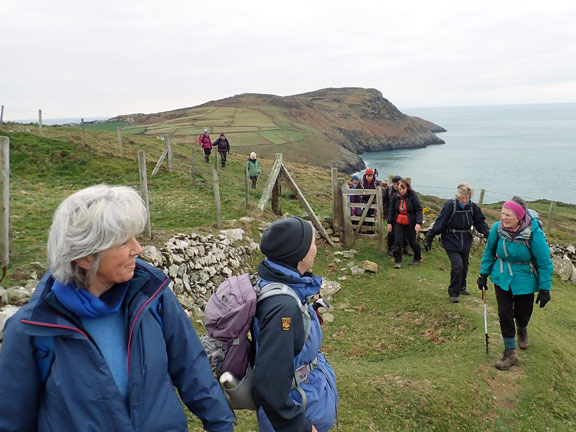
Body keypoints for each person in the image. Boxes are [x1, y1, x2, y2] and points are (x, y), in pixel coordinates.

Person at [0, 185, 234, 431]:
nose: (138, 249)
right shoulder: (32, 330)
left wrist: (221, 424)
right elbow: (11, 421)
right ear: (85, 256)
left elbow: (192, 368)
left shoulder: (152, 296)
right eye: (123, 242)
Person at [253, 217, 338, 432]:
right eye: (312, 243)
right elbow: (269, 384)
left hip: (305, 405)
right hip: (294, 419)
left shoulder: (284, 285)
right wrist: (301, 427)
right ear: (297, 254)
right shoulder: (284, 307)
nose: (316, 248)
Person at [477, 198, 553, 371]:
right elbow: (489, 252)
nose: (503, 218)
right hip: (501, 275)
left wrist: (545, 288)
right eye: (502, 213)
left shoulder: (533, 232)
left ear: (519, 216)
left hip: (525, 278)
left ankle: (523, 328)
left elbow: (544, 262)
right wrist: (483, 274)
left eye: (508, 215)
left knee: (522, 313)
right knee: (504, 313)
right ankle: (510, 353)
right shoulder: (497, 228)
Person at [425, 182, 490, 303]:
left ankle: (462, 287)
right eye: (462, 198)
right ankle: (453, 293)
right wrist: (430, 236)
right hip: (450, 239)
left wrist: (488, 234)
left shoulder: (473, 207)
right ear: (457, 196)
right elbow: (441, 222)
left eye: (466, 197)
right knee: (458, 266)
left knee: (464, 265)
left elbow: (480, 222)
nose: (464, 200)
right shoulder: (450, 206)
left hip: (465, 240)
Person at [386, 178, 423, 269]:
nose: (401, 191)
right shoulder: (395, 196)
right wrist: (389, 222)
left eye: (403, 189)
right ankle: (398, 261)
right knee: (398, 241)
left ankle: (417, 258)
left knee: (412, 242)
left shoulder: (412, 195)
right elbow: (391, 210)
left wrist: (418, 223)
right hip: (399, 221)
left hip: (410, 221)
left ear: (407, 188)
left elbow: (419, 210)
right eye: (399, 189)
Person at [383, 175, 402, 255]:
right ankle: (390, 248)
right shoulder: (389, 189)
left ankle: (404, 247)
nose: (396, 186)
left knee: (403, 230)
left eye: (397, 184)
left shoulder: (403, 189)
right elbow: (384, 199)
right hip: (390, 212)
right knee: (392, 230)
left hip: (400, 213)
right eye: (395, 184)